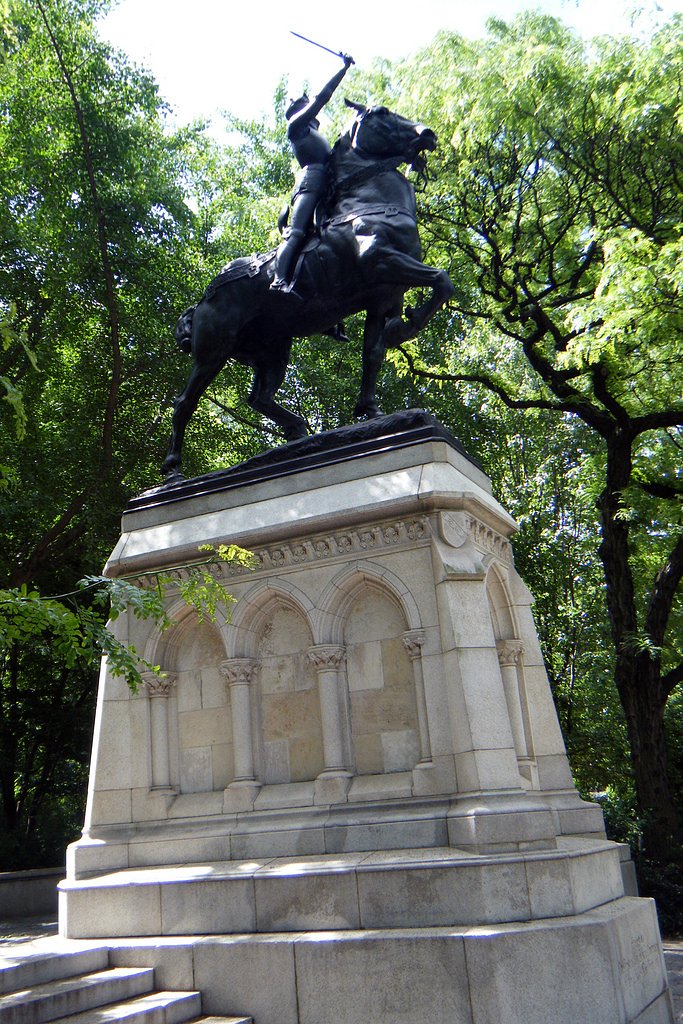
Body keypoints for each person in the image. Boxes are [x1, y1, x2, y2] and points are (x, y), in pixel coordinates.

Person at [271, 54, 354, 296]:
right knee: (297, 232)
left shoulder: (317, 135)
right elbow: (322, 97)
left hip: (329, 185)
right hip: (310, 184)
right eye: (305, 104)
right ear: (297, 109)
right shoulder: (296, 127)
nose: (310, 107)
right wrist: (343, 69)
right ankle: (278, 280)